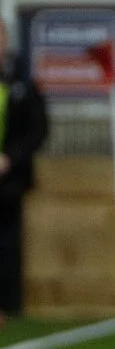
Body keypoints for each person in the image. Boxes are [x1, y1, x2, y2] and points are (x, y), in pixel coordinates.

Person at [0, 22, 51, 319]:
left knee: (8, 244)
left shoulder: (22, 82)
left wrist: (10, 158)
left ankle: (9, 307)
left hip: (10, 181)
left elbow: (38, 129)